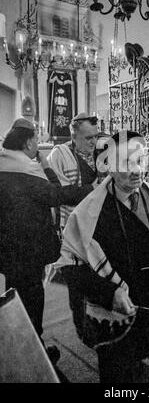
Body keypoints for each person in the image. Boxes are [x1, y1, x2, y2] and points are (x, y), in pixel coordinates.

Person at [52, 130, 149, 383]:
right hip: (112, 318)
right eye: (125, 163)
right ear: (108, 167)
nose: (136, 171)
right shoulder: (87, 213)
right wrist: (109, 293)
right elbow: (69, 265)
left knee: (137, 365)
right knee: (116, 374)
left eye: (140, 161)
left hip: (147, 308)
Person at [0, 118, 94, 344]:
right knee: (32, 297)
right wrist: (90, 188)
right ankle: (35, 345)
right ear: (29, 142)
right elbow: (56, 194)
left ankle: (18, 340)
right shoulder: (28, 171)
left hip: (7, 248)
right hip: (29, 250)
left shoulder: (3, 165)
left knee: (14, 293)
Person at [47, 112, 99, 230]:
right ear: (74, 137)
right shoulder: (59, 155)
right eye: (89, 138)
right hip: (71, 224)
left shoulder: (100, 154)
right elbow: (59, 194)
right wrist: (93, 188)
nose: (94, 142)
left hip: (97, 221)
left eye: (96, 136)